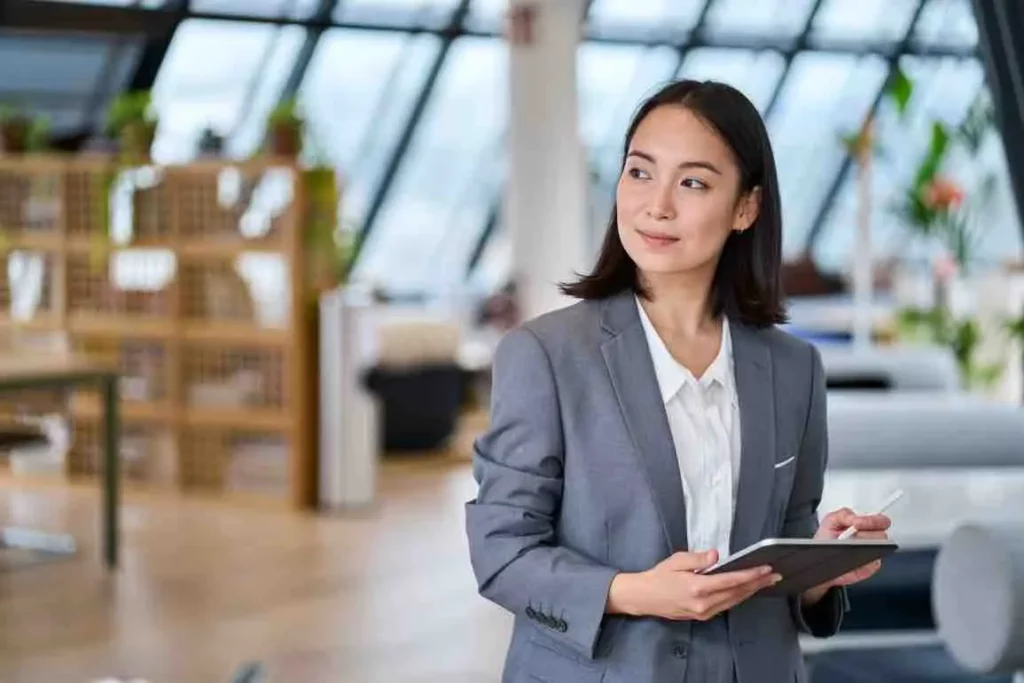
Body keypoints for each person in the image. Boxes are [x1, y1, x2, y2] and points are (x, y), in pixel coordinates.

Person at [464, 79, 891, 683]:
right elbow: (502, 554)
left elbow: (785, 545)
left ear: (747, 207)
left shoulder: (795, 370)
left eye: (692, 182)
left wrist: (816, 572)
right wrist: (633, 592)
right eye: (640, 173)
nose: (656, 205)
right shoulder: (545, 357)